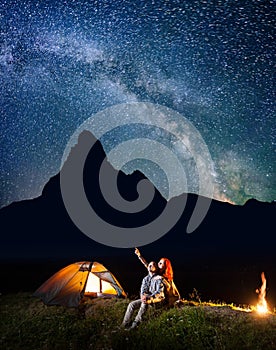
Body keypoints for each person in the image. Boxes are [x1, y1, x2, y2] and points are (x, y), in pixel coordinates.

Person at [121, 261, 166, 330]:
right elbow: (143, 290)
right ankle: (124, 325)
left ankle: (135, 324)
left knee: (144, 303)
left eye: (153, 265)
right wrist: (143, 296)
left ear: (156, 268)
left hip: (156, 301)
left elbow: (159, 292)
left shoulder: (159, 278)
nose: (150, 266)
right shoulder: (145, 278)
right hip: (146, 299)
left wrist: (149, 297)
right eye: (149, 265)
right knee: (131, 304)